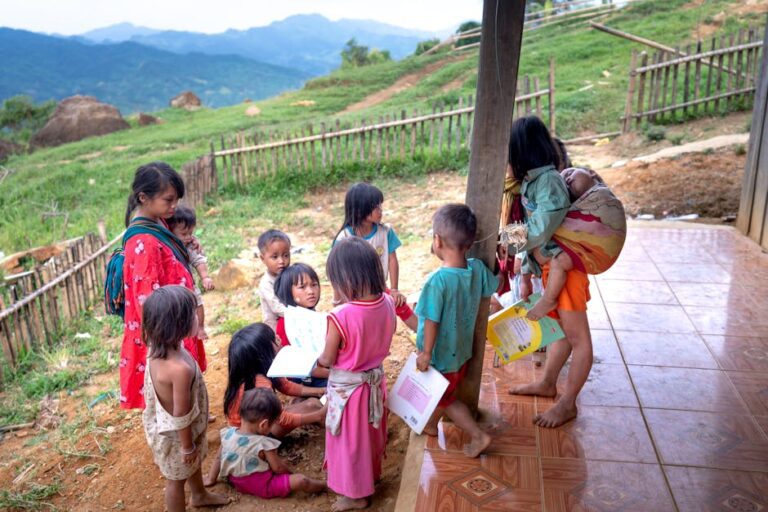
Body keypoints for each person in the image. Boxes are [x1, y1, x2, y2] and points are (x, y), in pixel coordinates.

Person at [505, 115, 594, 428]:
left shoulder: (549, 182)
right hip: (551, 270)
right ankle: (547, 383)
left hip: (566, 272)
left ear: (522, 152)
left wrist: (506, 238)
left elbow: (541, 229)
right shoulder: (534, 182)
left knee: (579, 338)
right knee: (563, 335)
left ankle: (567, 404)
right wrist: (527, 272)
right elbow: (537, 239)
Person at [120, 162, 206, 409]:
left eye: (176, 200)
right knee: (171, 385)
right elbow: (146, 299)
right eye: (168, 200)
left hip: (177, 318)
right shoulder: (143, 242)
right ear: (143, 197)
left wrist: (191, 243)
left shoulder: (159, 220)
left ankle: (190, 414)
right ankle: (181, 430)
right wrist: (166, 341)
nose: (174, 206)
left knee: (184, 380)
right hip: (167, 329)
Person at [318, 237, 395, 512]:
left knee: (350, 444)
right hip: (375, 386)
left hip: (349, 395)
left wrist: (316, 356)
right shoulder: (387, 302)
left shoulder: (341, 315)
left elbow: (327, 359)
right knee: (370, 437)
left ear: (345, 279)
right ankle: (371, 478)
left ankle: (355, 495)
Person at [414, 204, 496, 458]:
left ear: (437, 240)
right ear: (469, 243)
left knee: (447, 399)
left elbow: (431, 321)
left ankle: (478, 435)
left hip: (440, 355)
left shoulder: (436, 282)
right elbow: (494, 285)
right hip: (462, 351)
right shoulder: (477, 270)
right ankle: (429, 424)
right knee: (444, 392)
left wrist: (426, 353)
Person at [140, 286, 229, 512]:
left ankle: (199, 495)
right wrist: (187, 446)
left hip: (172, 431)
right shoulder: (179, 370)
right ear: (175, 324)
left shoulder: (159, 348)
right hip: (177, 437)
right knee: (176, 480)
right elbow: (180, 414)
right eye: (191, 313)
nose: (197, 316)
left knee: (191, 464)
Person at [203, 388, 326, 498]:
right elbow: (278, 468)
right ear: (264, 424)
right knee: (301, 481)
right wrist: (289, 476)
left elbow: (219, 458)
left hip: (235, 481)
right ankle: (326, 485)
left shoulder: (227, 434)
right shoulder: (264, 443)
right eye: (273, 424)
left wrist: (210, 478)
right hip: (263, 486)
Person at [333, 183, 417, 331]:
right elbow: (338, 272)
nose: (381, 211)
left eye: (380, 206)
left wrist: (395, 289)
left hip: (378, 288)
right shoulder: (344, 238)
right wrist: (340, 300)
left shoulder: (385, 233)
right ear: (360, 211)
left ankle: (426, 337)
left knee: (400, 304)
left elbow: (392, 259)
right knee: (359, 324)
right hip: (353, 293)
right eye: (376, 207)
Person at [223, 323, 325, 438]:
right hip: (252, 438)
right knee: (312, 405)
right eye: (274, 338)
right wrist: (317, 415)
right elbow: (282, 419)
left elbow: (286, 386)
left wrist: (321, 390)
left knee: (305, 402)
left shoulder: (258, 369)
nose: (278, 337)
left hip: (256, 426)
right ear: (263, 352)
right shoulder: (260, 384)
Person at [274, 263, 330, 388]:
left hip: (323, 372)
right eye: (302, 287)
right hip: (305, 380)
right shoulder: (286, 323)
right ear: (288, 292)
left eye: (314, 285)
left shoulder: (318, 317)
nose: (310, 291)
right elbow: (295, 365)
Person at [168, 206, 215, 340]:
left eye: (191, 233)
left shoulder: (189, 244)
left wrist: (205, 277)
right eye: (184, 234)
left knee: (197, 302)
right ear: (170, 230)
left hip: (188, 283)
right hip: (172, 286)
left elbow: (198, 259)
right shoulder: (166, 242)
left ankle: (200, 327)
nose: (189, 237)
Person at [257, 230, 291, 330]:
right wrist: (300, 315)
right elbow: (277, 308)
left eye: (286, 255)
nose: (281, 261)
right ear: (263, 259)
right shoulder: (266, 283)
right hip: (275, 329)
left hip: (292, 323)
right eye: (275, 257)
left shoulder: (290, 274)